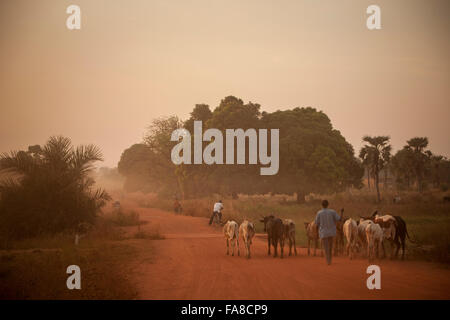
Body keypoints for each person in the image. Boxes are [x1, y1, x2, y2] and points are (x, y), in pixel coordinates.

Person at [314, 200, 341, 265]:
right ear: (328, 204)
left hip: (323, 233)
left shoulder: (319, 213)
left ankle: (328, 261)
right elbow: (339, 219)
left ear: (322, 205)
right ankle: (330, 259)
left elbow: (317, 224)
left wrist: (316, 232)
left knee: (326, 247)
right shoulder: (332, 212)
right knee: (330, 246)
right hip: (331, 232)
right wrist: (341, 212)